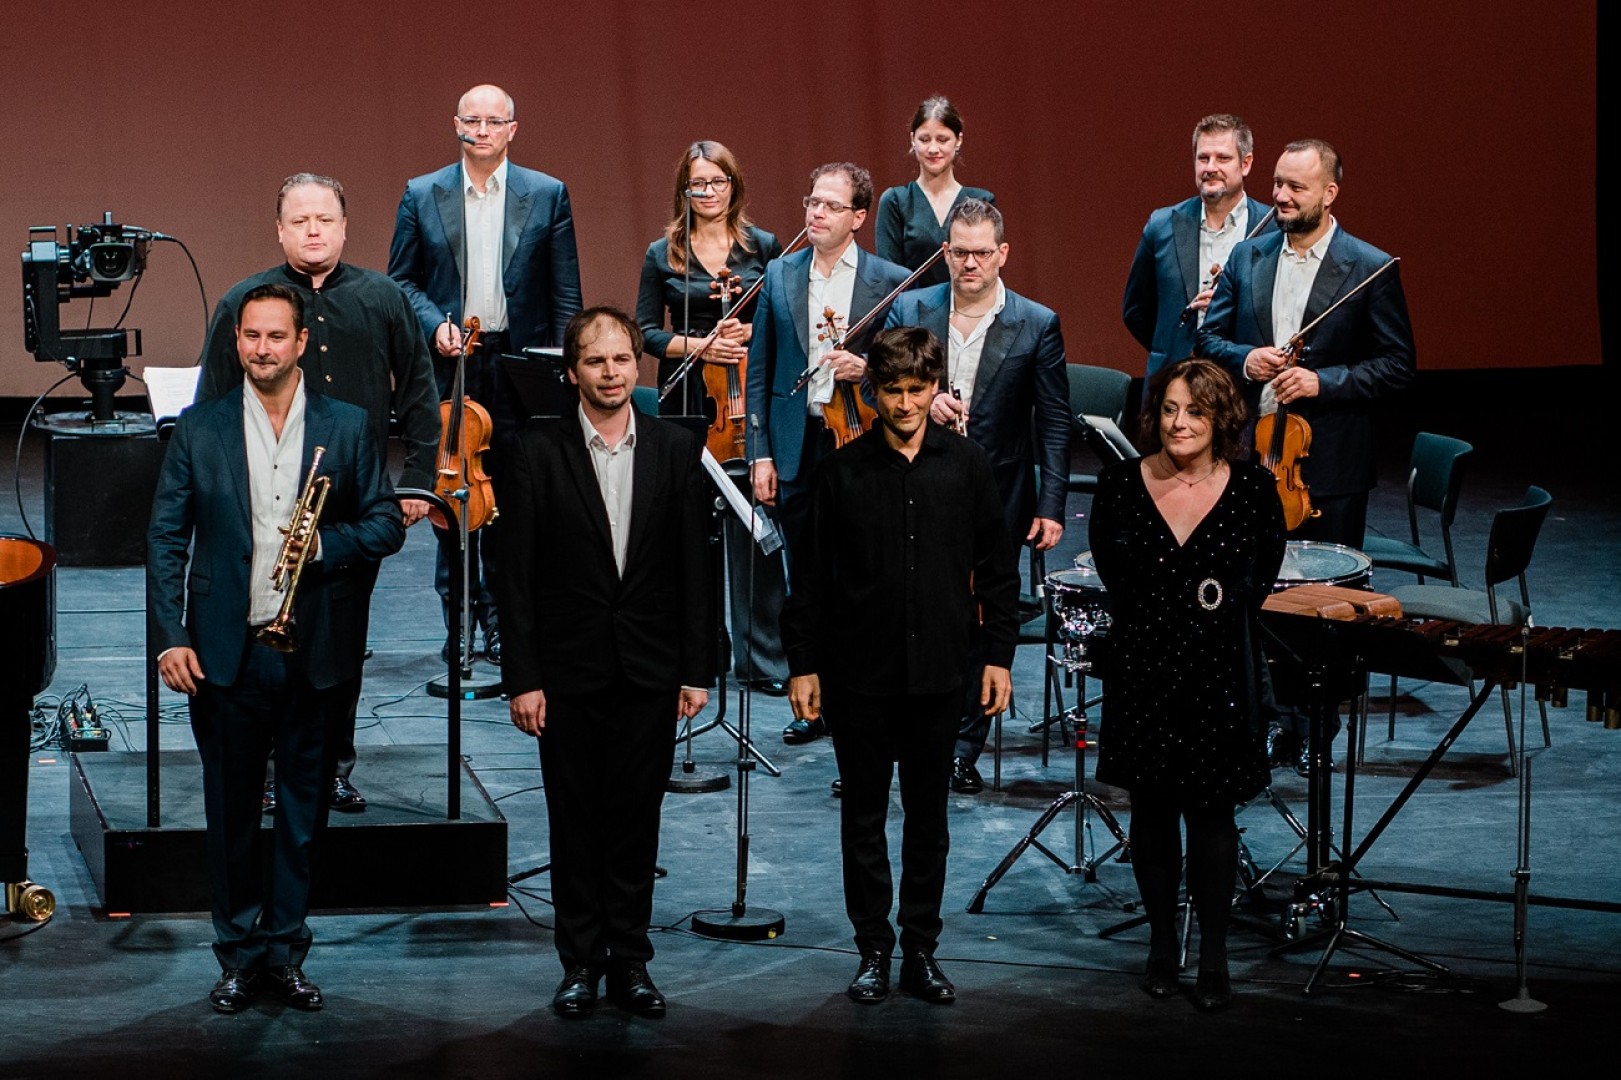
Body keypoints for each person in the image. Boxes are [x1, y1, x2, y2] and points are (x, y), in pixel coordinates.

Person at [151, 284, 405, 1014]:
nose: (262, 348)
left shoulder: (346, 425)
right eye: (250, 336)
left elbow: (386, 522)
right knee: (230, 817)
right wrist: (171, 636)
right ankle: (237, 956)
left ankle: (285, 952)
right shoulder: (198, 427)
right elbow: (165, 538)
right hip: (224, 652)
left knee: (301, 820)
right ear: (237, 342)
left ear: (300, 344)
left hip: (314, 651)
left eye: (275, 336)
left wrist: (322, 544)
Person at [782, 326, 1018, 1005]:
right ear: (872, 394)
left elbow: (996, 570)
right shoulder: (841, 472)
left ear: (934, 388)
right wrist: (803, 664)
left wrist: (998, 656)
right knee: (862, 817)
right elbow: (810, 578)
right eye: (892, 391)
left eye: (917, 390)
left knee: (927, 817)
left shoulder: (966, 465)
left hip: (941, 670)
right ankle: (872, 949)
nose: (906, 404)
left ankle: (919, 948)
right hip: (859, 673)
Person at [495, 306, 714, 1019]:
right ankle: (580, 963)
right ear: (572, 373)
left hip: (650, 669)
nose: (611, 373)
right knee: (575, 821)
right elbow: (515, 576)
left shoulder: (675, 448)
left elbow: (694, 567)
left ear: (636, 364)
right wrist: (523, 678)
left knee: (635, 821)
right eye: (595, 361)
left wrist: (696, 668)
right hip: (566, 672)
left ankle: (631, 961)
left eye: (621, 359)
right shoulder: (534, 450)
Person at [198, 173, 438, 814]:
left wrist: (416, 482)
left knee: (340, 640)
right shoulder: (245, 301)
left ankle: (331, 765)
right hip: (262, 497)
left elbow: (421, 393)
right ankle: (265, 770)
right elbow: (210, 407)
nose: (313, 231)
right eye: (300, 221)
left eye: (324, 220)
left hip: (354, 503)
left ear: (344, 227)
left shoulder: (384, 297)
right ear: (279, 230)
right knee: (260, 637)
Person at [1197, 138, 1416, 769]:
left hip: (1329, 467)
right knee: (1256, 595)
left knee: (1321, 601)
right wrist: (1247, 359)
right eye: (1278, 184)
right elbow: (1210, 339)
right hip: (1253, 458)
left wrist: (1326, 383)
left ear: (1330, 193)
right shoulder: (1249, 256)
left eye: (1297, 187)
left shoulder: (1368, 267)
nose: (1282, 196)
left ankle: (1319, 728)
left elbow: (1398, 366)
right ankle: (1273, 721)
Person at [1087, 357, 1285, 1011]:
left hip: (1217, 672)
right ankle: (1162, 945)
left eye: (1195, 411)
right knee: (1151, 814)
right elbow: (1115, 575)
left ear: (1219, 418)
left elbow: (1258, 579)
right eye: (1170, 409)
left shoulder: (1252, 489)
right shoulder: (1120, 484)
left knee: (1210, 815)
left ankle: (1214, 955)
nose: (1179, 423)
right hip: (1142, 670)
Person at [388, 83, 584, 665]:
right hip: (452, 364)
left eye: (493, 122)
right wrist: (434, 327)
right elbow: (402, 281)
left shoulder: (546, 193)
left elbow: (565, 292)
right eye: (471, 120)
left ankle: (503, 624)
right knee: (451, 497)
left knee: (511, 500)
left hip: (518, 364)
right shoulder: (422, 193)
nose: (481, 130)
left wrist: (562, 369)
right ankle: (459, 624)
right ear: (455, 124)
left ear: (512, 130)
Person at [883, 198, 1068, 794]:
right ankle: (907, 741)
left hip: (998, 490)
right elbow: (872, 389)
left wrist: (1051, 504)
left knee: (982, 617)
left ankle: (961, 748)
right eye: (960, 252)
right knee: (913, 610)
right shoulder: (912, 307)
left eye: (982, 252)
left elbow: (1054, 420)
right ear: (945, 252)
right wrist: (920, 401)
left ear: (1002, 253)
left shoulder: (1036, 322)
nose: (970, 263)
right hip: (914, 484)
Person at [745, 162, 910, 744]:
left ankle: (861, 699)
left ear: (858, 217)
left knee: (862, 575)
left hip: (859, 440)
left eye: (831, 206)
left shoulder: (891, 280)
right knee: (804, 579)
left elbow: (904, 368)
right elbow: (760, 368)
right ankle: (810, 696)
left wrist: (868, 369)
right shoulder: (780, 272)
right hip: (797, 441)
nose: (816, 213)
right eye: (812, 202)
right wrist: (760, 452)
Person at [635, 140, 789, 692]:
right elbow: (645, 332)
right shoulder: (662, 254)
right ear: (684, 189)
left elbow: (781, 319)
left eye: (717, 181)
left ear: (733, 185)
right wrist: (699, 346)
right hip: (686, 399)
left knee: (752, 528)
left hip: (746, 400)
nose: (707, 192)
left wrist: (749, 332)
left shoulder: (763, 247)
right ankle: (703, 655)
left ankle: (762, 659)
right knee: (691, 535)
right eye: (696, 183)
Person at [1122, 113, 1276, 379]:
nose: (1210, 167)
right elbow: (1136, 310)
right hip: (1174, 381)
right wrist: (1171, 347)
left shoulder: (1273, 229)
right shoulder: (1161, 225)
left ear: (1246, 164)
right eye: (1203, 158)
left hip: (1242, 383)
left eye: (1223, 158)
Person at [875, 96, 994, 288]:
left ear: (958, 141)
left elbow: (987, 271)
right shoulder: (895, 201)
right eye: (924, 139)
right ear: (912, 140)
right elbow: (889, 278)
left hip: (968, 305)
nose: (932, 149)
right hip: (911, 306)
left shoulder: (981, 201)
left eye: (942, 139)